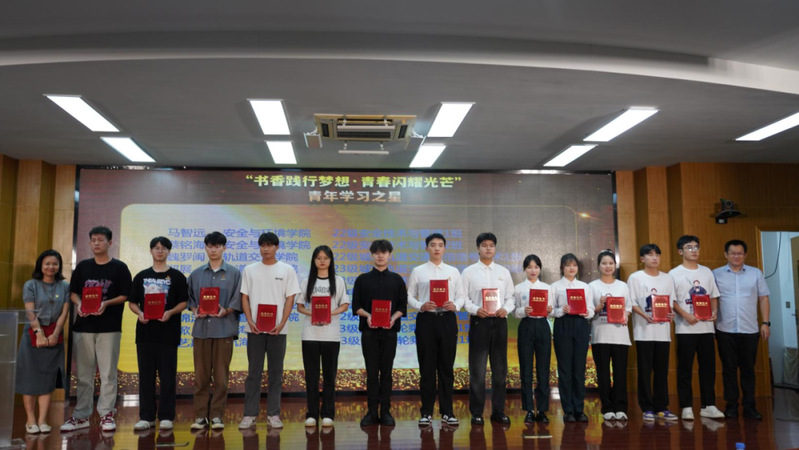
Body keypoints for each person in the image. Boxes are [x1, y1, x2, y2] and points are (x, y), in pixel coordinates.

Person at [62, 226, 132, 432]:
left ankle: (106, 414)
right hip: (83, 328)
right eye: (93, 240)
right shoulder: (83, 267)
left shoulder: (119, 268)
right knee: (84, 375)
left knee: (108, 374)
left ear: (110, 243)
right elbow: (73, 293)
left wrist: (106, 303)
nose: (96, 243)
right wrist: (80, 304)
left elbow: (125, 295)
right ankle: (81, 415)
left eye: (100, 240)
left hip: (109, 328)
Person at [239, 232, 301, 430]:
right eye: (262, 245)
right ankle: (250, 414)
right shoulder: (250, 270)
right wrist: (249, 320)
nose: (265, 249)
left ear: (277, 247)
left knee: (276, 373)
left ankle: (274, 414)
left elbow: (290, 298)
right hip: (255, 329)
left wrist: (282, 322)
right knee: (253, 373)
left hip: (277, 330)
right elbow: (244, 297)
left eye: (269, 245)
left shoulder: (287, 269)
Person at [128, 237, 188, 431]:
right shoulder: (141, 276)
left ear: (169, 251)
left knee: (168, 377)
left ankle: (166, 416)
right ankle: (146, 417)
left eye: (163, 248)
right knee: (146, 377)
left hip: (168, 334)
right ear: (151, 251)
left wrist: (170, 312)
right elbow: (132, 302)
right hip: (145, 334)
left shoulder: (177, 276)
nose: (159, 251)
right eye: (156, 248)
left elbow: (184, 302)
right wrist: (140, 313)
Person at [407, 233, 466, 427]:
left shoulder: (453, 271)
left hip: (447, 320)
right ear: (427, 248)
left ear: (445, 248)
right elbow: (409, 296)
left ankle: (447, 412)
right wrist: (421, 305)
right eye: (433, 245)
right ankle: (426, 412)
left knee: (446, 368)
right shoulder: (418, 271)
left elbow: (461, 296)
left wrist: (455, 305)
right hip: (426, 320)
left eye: (440, 245)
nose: (437, 248)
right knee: (427, 368)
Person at [187, 231, 242, 430]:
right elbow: (190, 299)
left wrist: (226, 310)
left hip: (224, 330)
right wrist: (195, 310)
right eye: (210, 246)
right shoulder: (196, 274)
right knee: (201, 377)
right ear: (205, 248)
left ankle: (217, 416)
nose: (213, 250)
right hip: (201, 331)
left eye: (217, 246)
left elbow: (238, 299)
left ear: (224, 248)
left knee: (221, 378)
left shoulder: (234, 273)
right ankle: (201, 416)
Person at [351, 239, 407, 427]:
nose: (380, 255)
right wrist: (368, 316)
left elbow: (402, 306)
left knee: (387, 373)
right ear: (372, 255)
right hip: (369, 333)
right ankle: (371, 412)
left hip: (390, 332)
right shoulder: (362, 279)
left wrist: (393, 318)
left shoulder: (397, 280)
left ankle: (386, 412)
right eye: (377, 252)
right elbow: (356, 306)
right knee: (372, 373)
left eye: (384, 252)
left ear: (390, 255)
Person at [713, 239, 771, 420]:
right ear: (726, 254)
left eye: (739, 253)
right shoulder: (716, 274)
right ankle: (731, 406)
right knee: (729, 370)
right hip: (724, 329)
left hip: (749, 329)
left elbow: (763, 298)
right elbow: (712, 298)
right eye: (732, 253)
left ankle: (749, 406)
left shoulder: (756, 273)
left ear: (745, 255)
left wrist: (765, 323)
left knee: (748, 370)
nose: (736, 256)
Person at [668, 235, 725, 420]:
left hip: (706, 328)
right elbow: (671, 300)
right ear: (680, 251)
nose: (694, 250)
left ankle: (709, 405)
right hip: (685, 328)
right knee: (685, 368)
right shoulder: (673, 274)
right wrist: (685, 314)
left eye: (696, 247)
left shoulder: (707, 272)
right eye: (689, 247)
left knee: (708, 368)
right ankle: (686, 406)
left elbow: (713, 296)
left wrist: (714, 311)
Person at [462, 232, 515, 426]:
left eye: (491, 245)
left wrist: (506, 309)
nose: (488, 248)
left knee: (500, 371)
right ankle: (477, 412)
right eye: (484, 245)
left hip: (499, 322)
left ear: (495, 248)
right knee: (477, 370)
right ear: (478, 248)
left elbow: (511, 297)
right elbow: (463, 298)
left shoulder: (503, 272)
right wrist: (476, 309)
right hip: (479, 322)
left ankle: (498, 411)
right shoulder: (468, 272)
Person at [16, 250, 70, 434]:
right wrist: (39, 333)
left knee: (48, 379)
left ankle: (43, 420)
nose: (51, 267)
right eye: (47, 263)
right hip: (33, 334)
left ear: (59, 266)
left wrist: (55, 334)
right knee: (30, 378)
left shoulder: (64, 286)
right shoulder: (31, 285)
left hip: (54, 335)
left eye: (55, 264)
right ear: (40, 265)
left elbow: (64, 313)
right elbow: (30, 312)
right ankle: (30, 420)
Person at [295, 245, 350, 428]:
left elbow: (345, 305)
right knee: (311, 377)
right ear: (314, 260)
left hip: (331, 336)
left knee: (329, 377)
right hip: (310, 335)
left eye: (325, 258)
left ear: (331, 260)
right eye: (319, 258)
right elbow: (300, 306)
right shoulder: (307, 281)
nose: (322, 261)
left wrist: (328, 314)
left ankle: (327, 414)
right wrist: (313, 314)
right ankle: (311, 414)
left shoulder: (338, 281)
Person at [627, 243, 677, 422]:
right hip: (644, 332)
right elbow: (631, 302)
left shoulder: (667, 278)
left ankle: (662, 407)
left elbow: (670, 302)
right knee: (645, 371)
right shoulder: (635, 278)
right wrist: (644, 315)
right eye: (650, 255)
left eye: (657, 255)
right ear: (642, 258)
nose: (654, 258)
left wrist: (671, 313)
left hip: (663, 332)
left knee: (662, 371)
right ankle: (647, 407)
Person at [588, 250, 632, 422]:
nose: (608, 266)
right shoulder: (592, 286)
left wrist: (625, 316)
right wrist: (599, 306)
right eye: (604, 263)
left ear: (615, 265)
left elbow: (628, 307)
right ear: (598, 266)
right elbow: (588, 312)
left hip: (620, 335)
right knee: (603, 373)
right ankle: (607, 407)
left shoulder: (622, 286)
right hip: (600, 335)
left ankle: (620, 407)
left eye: (611, 263)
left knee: (620, 373)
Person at [551, 253, 595, 423]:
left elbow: (591, 309)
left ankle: (579, 409)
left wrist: (587, 312)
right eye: (568, 265)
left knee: (579, 369)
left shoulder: (584, 286)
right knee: (565, 369)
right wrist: (561, 310)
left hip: (580, 325)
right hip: (563, 325)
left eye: (574, 265)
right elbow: (550, 310)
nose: (571, 268)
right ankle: (568, 410)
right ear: (562, 267)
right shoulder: (555, 286)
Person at [513, 254, 554, 424]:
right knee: (526, 369)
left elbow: (552, 310)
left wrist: (550, 310)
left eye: (536, 267)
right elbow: (514, 312)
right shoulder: (518, 288)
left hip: (543, 326)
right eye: (529, 267)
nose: (533, 270)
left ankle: (542, 410)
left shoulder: (547, 288)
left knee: (543, 370)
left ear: (540, 269)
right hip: (526, 326)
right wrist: (524, 311)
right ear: (524, 269)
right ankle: (529, 409)